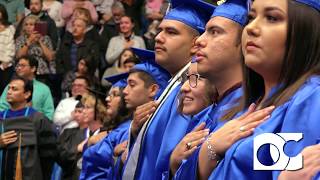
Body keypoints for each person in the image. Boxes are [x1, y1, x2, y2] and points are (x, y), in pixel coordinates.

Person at [179, 0, 320, 179]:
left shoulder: (310, 101)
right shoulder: (244, 109)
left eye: (271, 18)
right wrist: (209, 151)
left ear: (307, 32)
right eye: (251, 18)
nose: (251, 28)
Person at [122, 1, 214, 179]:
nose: (158, 37)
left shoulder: (192, 90)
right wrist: (135, 132)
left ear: (197, 44)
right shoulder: (172, 88)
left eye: (171, 32)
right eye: (160, 30)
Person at [79, 48, 170, 180]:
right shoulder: (129, 128)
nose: (125, 92)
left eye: (131, 85)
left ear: (153, 89)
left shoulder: (155, 129)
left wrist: (116, 158)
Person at [0, 76, 57, 180]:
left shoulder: (38, 119)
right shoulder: (0, 118)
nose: (9, 92)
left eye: (14, 89)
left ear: (27, 94)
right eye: (9, 88)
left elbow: (48, 155)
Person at [0, 56, 54, 120]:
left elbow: (49, 113)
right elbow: (1, 107)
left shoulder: (44, 89)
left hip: (36, 125)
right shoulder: (10, 86)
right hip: (10, 124)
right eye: (17, 66)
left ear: (33, 68)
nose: (19, 68)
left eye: (22, 66)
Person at [0, 4, 15, 93]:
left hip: (5, 65)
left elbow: (11, 46)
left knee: (4, 91)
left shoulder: (10, 28)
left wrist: (5, 62)